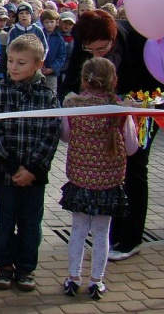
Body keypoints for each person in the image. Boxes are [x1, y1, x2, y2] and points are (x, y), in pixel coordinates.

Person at [61, 10, 159, 262]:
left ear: (113, 38)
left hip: (138, 110)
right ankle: (111, 233)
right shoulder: (84, 43)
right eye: (90, 49)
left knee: (135, 165)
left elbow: (154, 79)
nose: (96, 54)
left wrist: (133, 103)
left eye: (102, 49)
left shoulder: (138, 37)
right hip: (104, 114)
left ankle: (131, 238)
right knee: (111, 169)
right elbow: (71, 77)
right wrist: (67, 100)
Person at [0, 35, 60, 292]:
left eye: (21, 62)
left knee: (30, 224)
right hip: (6, 174)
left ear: (38, 64)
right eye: (10, 61)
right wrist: (12, 166)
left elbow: (51, 135)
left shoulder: (48, 96)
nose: (13, 67)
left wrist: (33, 170)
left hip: (34, 176)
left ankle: (26, 268)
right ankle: (4, 266)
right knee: (5, 222)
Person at [60, 57, 137, 301]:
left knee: (78, 231)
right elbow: (132, 147)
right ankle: (96, 280)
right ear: (113, 80)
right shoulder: (120, 108)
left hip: (80, 179)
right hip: (108, 182)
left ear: (84, 80)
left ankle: (73, 277)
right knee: (102, 233)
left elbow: (65, 136)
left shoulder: (72, 105)